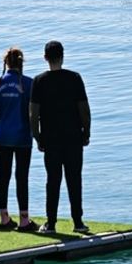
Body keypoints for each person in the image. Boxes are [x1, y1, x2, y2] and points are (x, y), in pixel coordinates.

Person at [30, 40, 91, 234]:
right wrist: (86, 132)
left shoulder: (39, 81)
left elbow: (33, 113)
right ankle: (78, 222)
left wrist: (37, 137)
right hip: (73, 137)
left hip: (51, 138)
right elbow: (84, 109)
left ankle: (51, 223)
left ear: (45, 57)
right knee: (75, 179)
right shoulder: (74, 78)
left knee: (53, 180)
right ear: (63, 56)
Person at [0, 46, 37, 232]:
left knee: (4, 175)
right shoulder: (29, 83)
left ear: (6, 63)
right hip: (22, 135)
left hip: (2, 135)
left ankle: (4, 217)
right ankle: (24, 220)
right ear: (21, 63)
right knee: (22, 177)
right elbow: (33, 111)